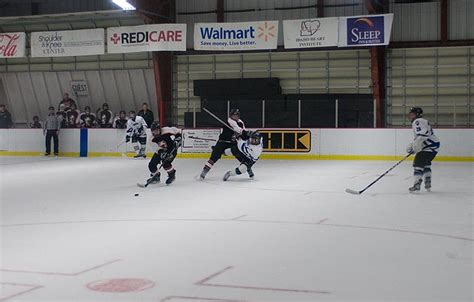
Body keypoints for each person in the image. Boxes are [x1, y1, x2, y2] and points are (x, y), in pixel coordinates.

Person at [199, 108, 249, 180]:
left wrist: (244, 136)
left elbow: (243, 132)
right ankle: (204, 172)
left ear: (238, 116)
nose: (234, 117)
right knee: (214, 157)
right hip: (222, 142)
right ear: (231, 116)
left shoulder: (241, 122)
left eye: (236, 115)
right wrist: (243, 133)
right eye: (233, 115)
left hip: (232, 143)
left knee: (241, 156)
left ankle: (249, 170)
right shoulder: (229, 121)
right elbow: (238, 129)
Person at [406, 107, 440, 193]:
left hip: (428, 146)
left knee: (418, 164)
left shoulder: (417, 121)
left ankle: (417, 184)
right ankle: (428, 181)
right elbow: (421, 136)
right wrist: (414, 145)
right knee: (426, 164)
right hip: (434, 146)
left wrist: (415, 147)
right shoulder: (423, 121)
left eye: (412, 114)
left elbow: (423, 135)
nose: (411, 116)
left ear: (417, 114)